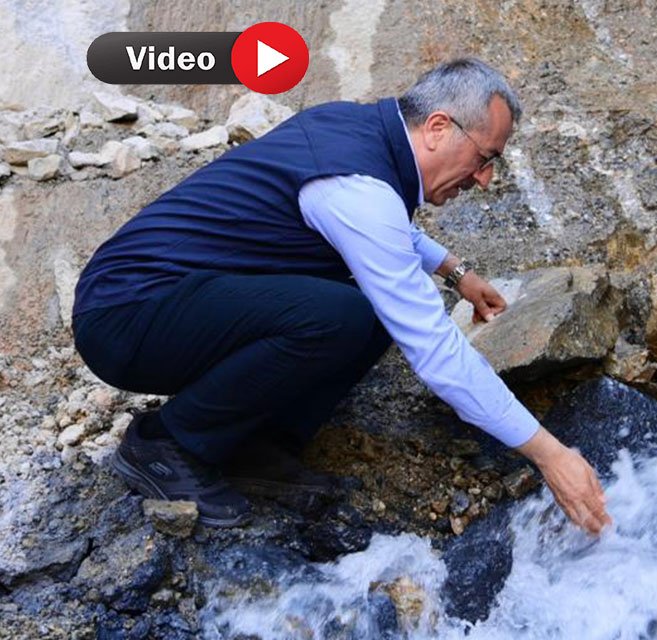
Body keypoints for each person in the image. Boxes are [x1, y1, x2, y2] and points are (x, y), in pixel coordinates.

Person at [71, 58, 612, 534]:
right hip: (127, 314)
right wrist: (550, 453)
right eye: (485, 157)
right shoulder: (359, 187)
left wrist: (455, 271)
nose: (486, 178)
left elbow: (390, 231)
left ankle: (256, 444)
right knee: (341, 315)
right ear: (438, 128)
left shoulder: (360, 134)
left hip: (167, 298)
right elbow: (433, 349)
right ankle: (168, 443)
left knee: (363, 310)